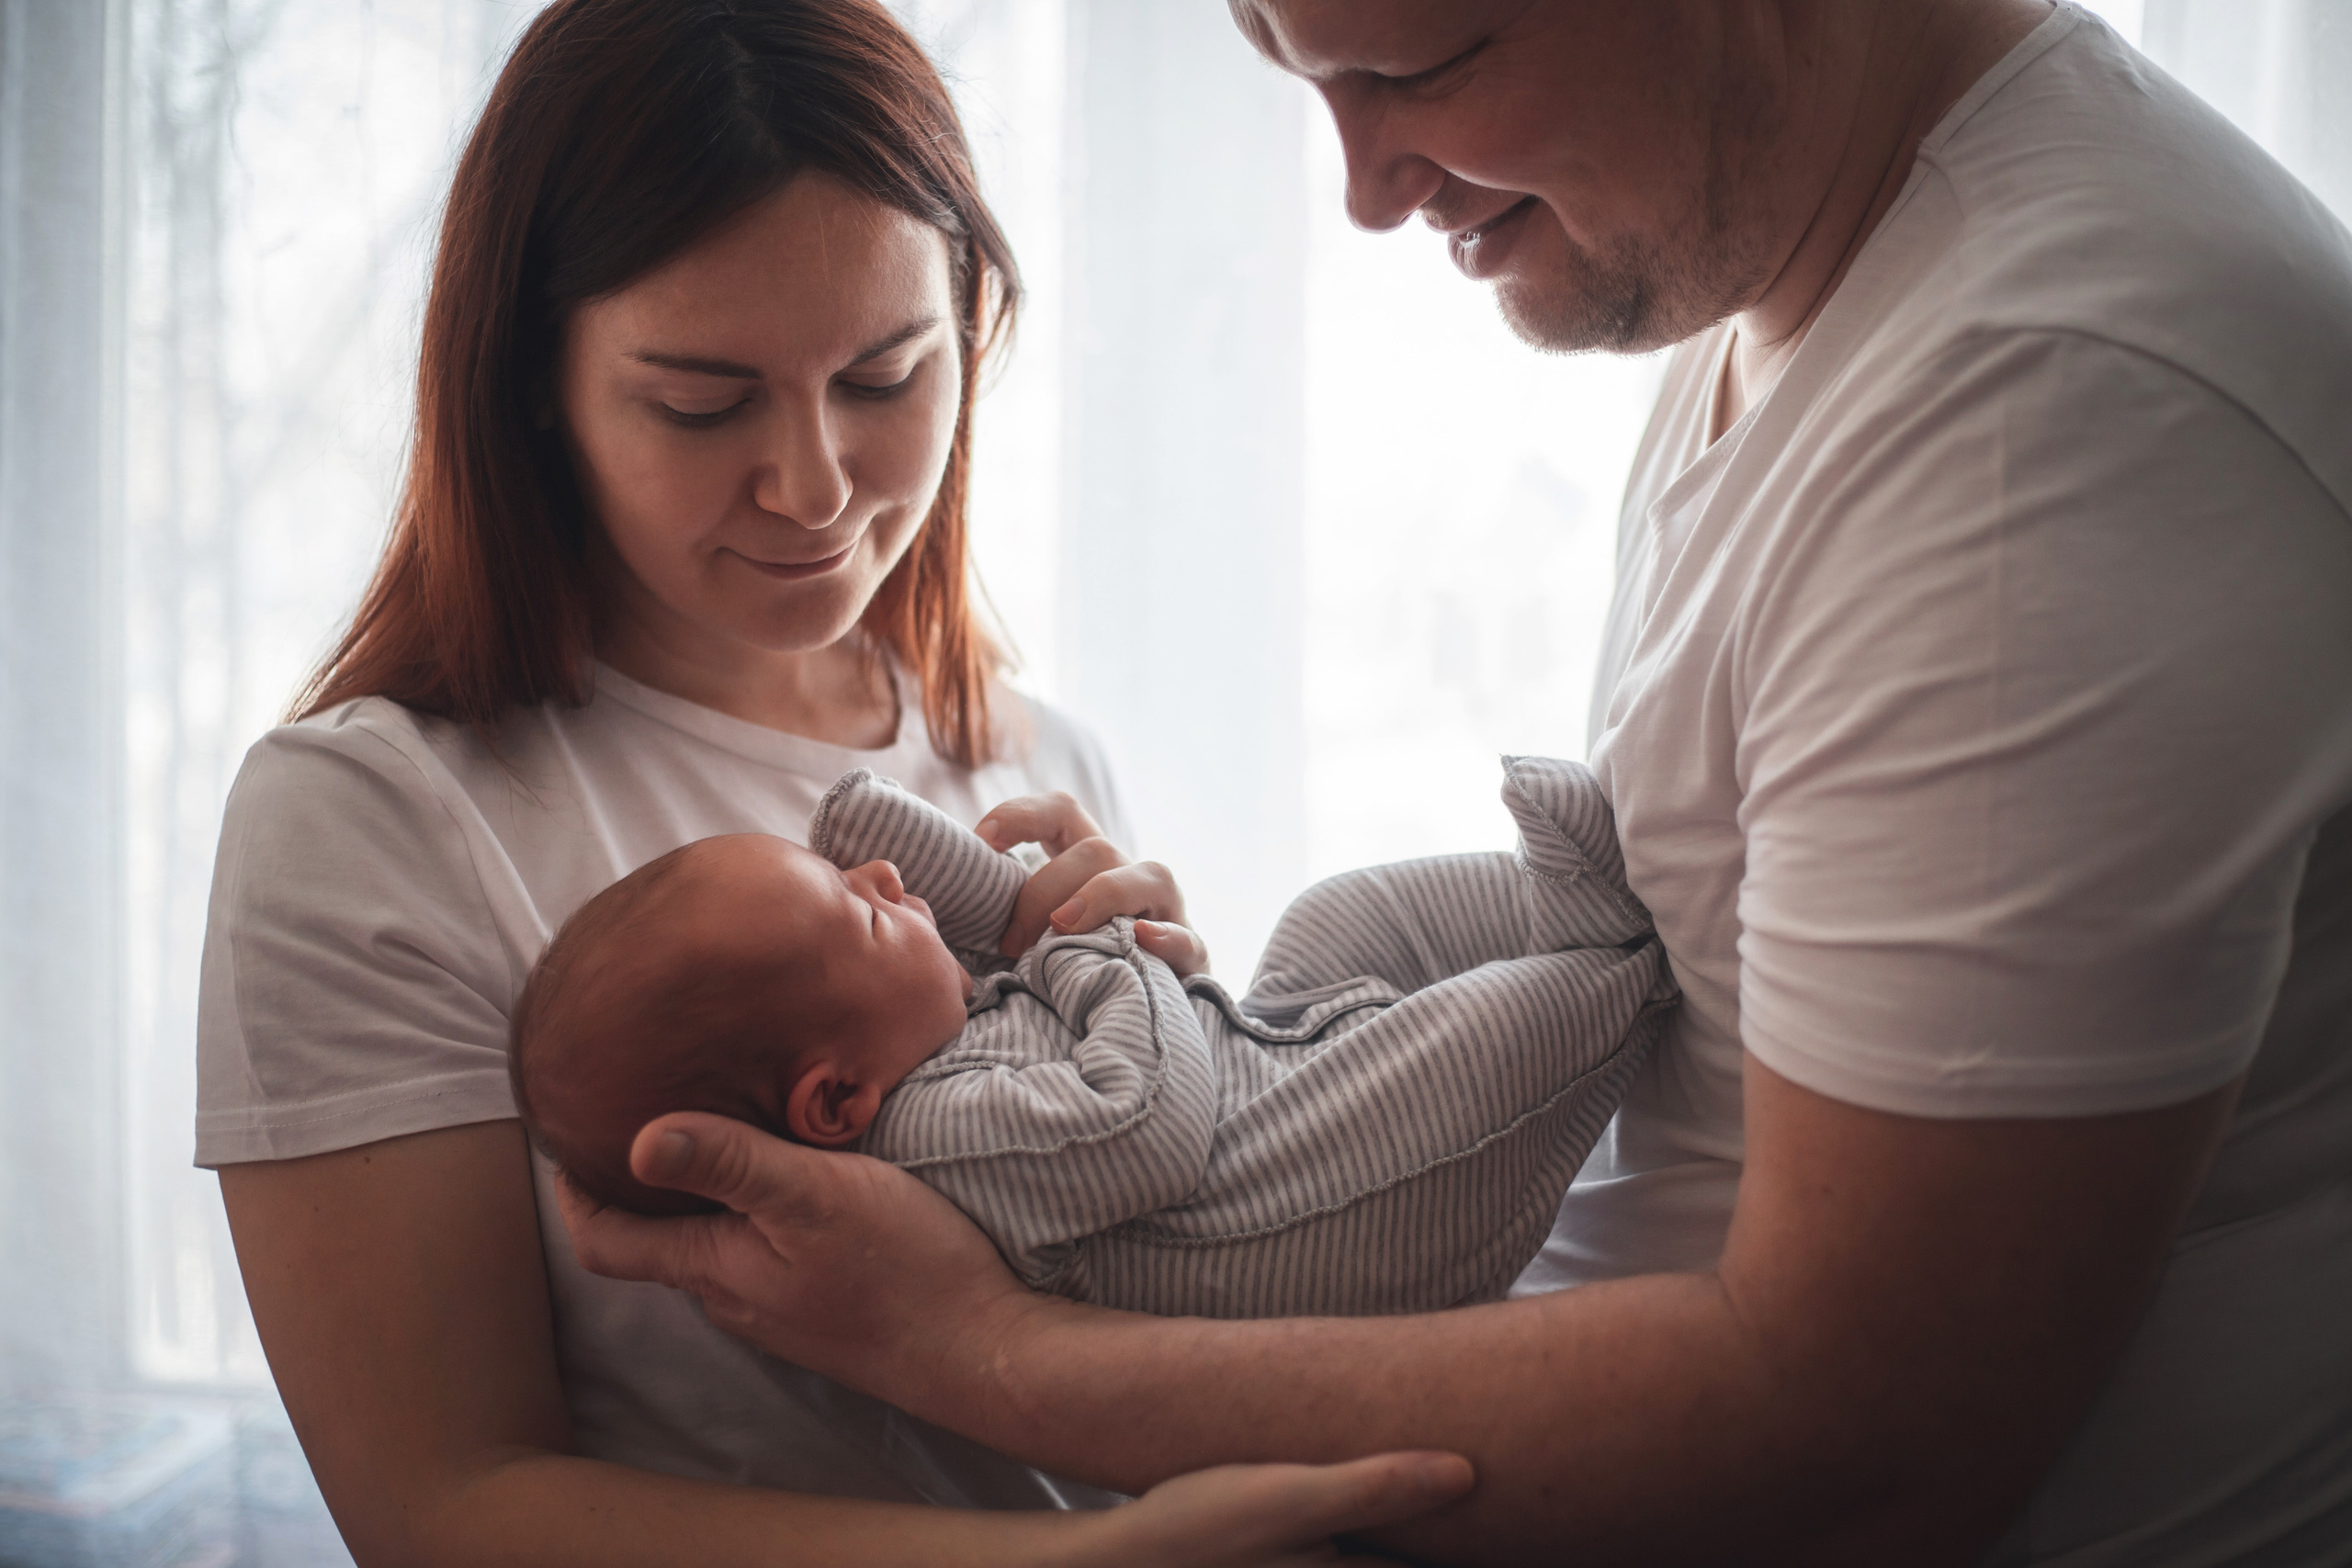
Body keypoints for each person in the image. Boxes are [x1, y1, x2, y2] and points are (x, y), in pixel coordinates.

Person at [561, 2, 2352, 1563]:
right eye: (1290, 69)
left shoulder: (2036, 414)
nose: (1359, 186)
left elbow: (1858, 1453)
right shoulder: (1804, 290)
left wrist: (972, 1349)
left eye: (1417, 64)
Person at [195, 1, 1477, 1562]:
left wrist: (1184, 1049)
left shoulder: (1033, 758)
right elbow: (447, 1507)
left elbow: (1130, 1294)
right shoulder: (377, 816)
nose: (813, 488)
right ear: (535, 377)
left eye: (884, 377)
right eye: (700, 402)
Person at [512, 761, 1671, 1315]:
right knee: (1468, 1046)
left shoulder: (914, 1047)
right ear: (831, 1104)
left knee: (1335, 917)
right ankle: (1620, 967)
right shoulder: (938, 1145)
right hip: (1342, 1199)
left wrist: (1005, 915)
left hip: (1266, 1067)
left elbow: (1008, 940)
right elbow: (1143, 1125)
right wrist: (1082, 948)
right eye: (856, 907)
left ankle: (1555, 916)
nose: (880, 877)